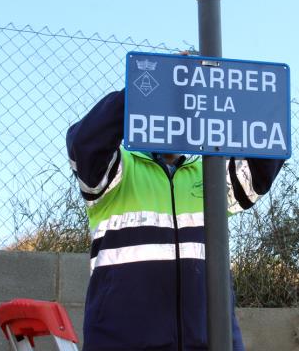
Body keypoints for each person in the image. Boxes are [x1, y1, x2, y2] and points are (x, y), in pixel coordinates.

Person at [66, 88, 284, 351]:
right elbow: (85, 143)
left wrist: (234, 92)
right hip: (122, 342)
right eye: (166, 108)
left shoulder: (210, 173)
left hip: (210, 342)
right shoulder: (119, 171)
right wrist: (153, 84)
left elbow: (264, 159)